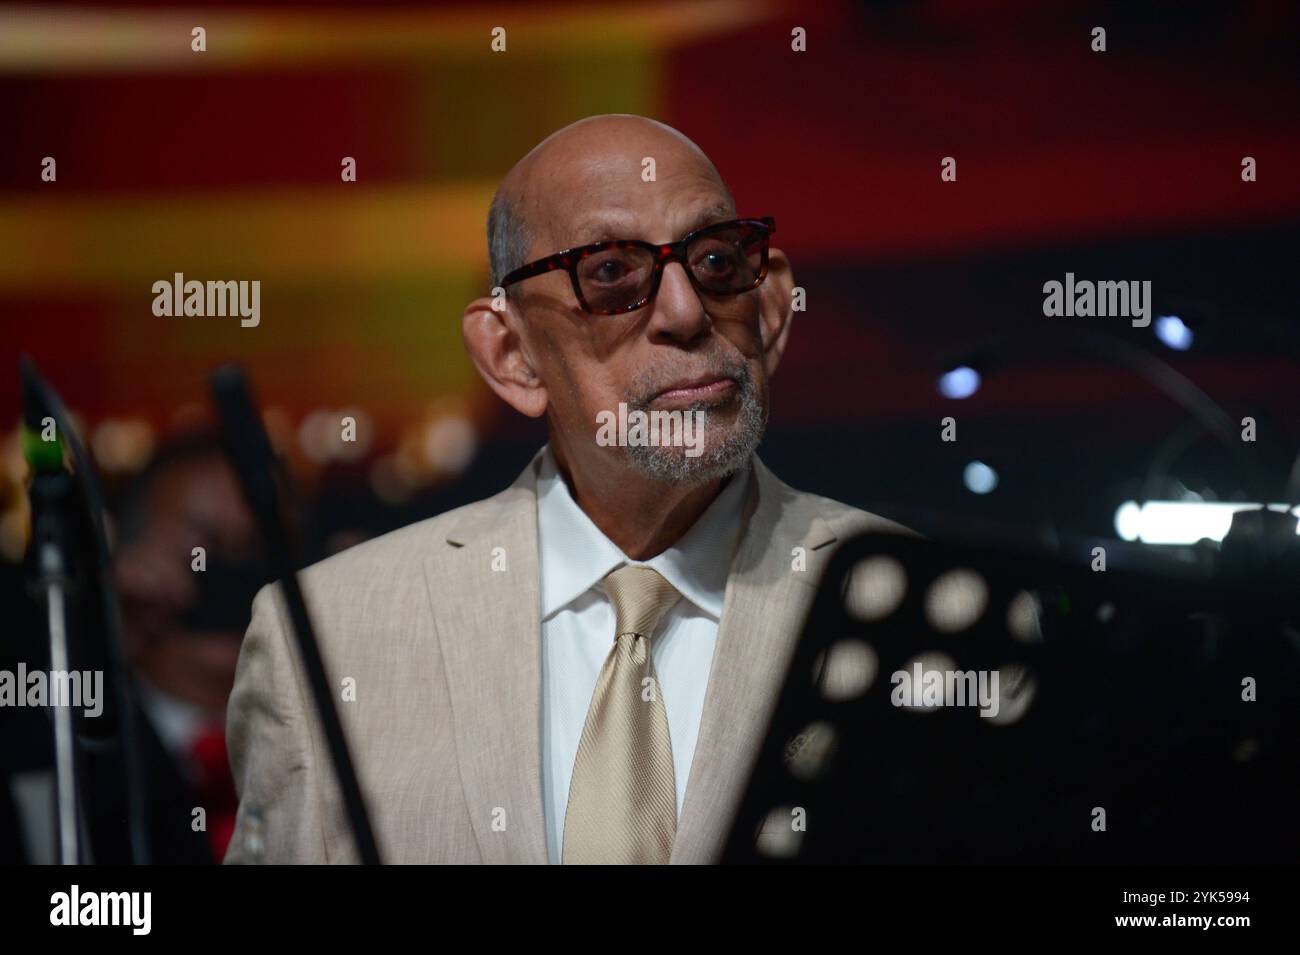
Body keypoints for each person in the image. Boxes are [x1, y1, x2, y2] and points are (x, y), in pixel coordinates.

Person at [224, 114, 906, 864]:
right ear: (512, 354)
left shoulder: (912, 610)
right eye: (611, 273)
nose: (684, 312)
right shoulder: (329, 635)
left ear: (770, 309)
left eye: (714, 259)